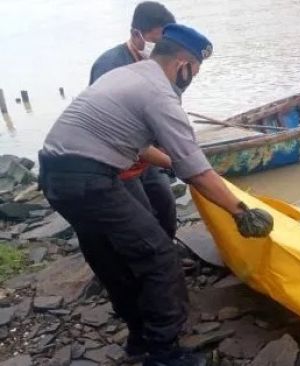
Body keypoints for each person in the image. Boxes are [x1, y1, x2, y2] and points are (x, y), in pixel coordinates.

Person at [39, 24, 274, 366]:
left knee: (110, 258)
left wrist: (178, 163)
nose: (192, 77)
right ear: (183, 63)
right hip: (92, 182)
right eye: (194, 70)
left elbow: (143, 145)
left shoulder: (129, 74)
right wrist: (241, 211)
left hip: (55, 176)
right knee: (160, 258)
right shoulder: (160, 94)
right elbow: (196, 172)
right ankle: (163, 353)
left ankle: (139, 339)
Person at [90, 1, 178, 239]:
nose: (160, 47)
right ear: (136, 34)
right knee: (142, 216)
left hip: (146, 156)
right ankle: (153, 262)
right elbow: (110, 126)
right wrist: (174, 161)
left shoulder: (158, 66)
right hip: (119, 159)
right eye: (156, 40)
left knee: (166, 203)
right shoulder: (110, 65)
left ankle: (167, 250)